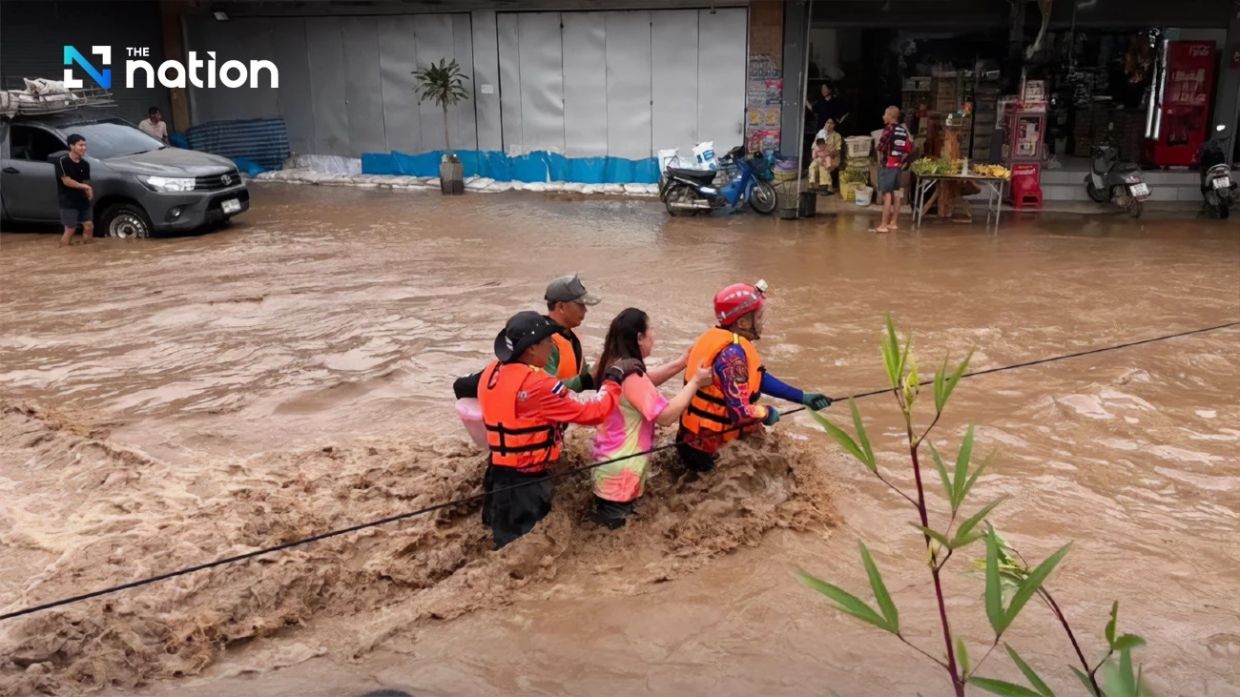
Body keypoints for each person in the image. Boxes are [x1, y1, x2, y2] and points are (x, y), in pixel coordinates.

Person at [477, 311, 640, 549]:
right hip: (525, 484)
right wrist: (613, 380)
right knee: (527, 550)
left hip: (496, 473)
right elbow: (594, 413)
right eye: (548, 341)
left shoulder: (491, 371)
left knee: (499, 542)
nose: (552, 346)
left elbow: (464, 388)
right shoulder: (540, 386)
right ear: (531, 349)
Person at [676, 282, 833, 473]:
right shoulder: (732, 355)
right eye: (759, 317)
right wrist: (766, 413)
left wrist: (802, 397)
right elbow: (741, 413)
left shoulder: (721, 338)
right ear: (742, 323)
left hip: (693, 438)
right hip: (705, 449)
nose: (762, 322)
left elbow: (758, 378)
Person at [588, 308, 713, 528]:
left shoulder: (612, 363)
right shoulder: (632, 376)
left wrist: (681, 362)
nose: (654, 335)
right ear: (639, 337)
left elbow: (645, 382)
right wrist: (695, 383)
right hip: (622, 472)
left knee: (605, 524)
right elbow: (666, 416)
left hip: (606, 463)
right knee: (618, 531)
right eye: (651, 329)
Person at [544, 273, 600, 392]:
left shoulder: (570, 336)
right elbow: (546, 389)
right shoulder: (543, 341)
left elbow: (585, 376)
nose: (585, 310)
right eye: (580, 304)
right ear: (561, 307)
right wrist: (589, 378)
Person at [874, 106, 913, 234]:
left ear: (891, 116)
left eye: (885, 114)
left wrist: (877, 147)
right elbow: (908, 148)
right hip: (897, 165)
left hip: (888, 165)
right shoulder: (903, 130)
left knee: (887, 194)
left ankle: (883, 225)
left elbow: (881, 146)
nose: (883, 116)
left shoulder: (889, 129)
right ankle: (893, 223)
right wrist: (902, 161)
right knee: (897, 193)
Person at [54, 134, 94, 247]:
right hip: (68, 200)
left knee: (89, 226)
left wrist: (88, 190)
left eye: (85, 145)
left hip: (82, 200)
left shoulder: (85, 164)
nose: (84, 148)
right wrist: (85, 187)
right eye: (80, 145)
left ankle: (88, 249)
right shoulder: (62, 161)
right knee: (70, 229)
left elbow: (86, 181)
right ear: (71, 146)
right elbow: (66, 181)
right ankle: (64, 249)